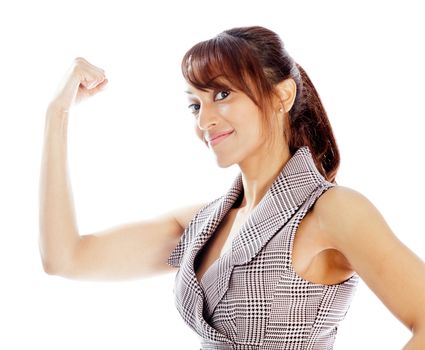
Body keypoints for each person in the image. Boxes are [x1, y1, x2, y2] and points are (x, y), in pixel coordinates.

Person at [39, 26, 425, 349]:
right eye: (195, 105)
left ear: (282, 96)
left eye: (222, 94)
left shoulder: (333, 211)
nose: (205, 120)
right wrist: (57, 114)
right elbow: (66, 258)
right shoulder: (202, 223)